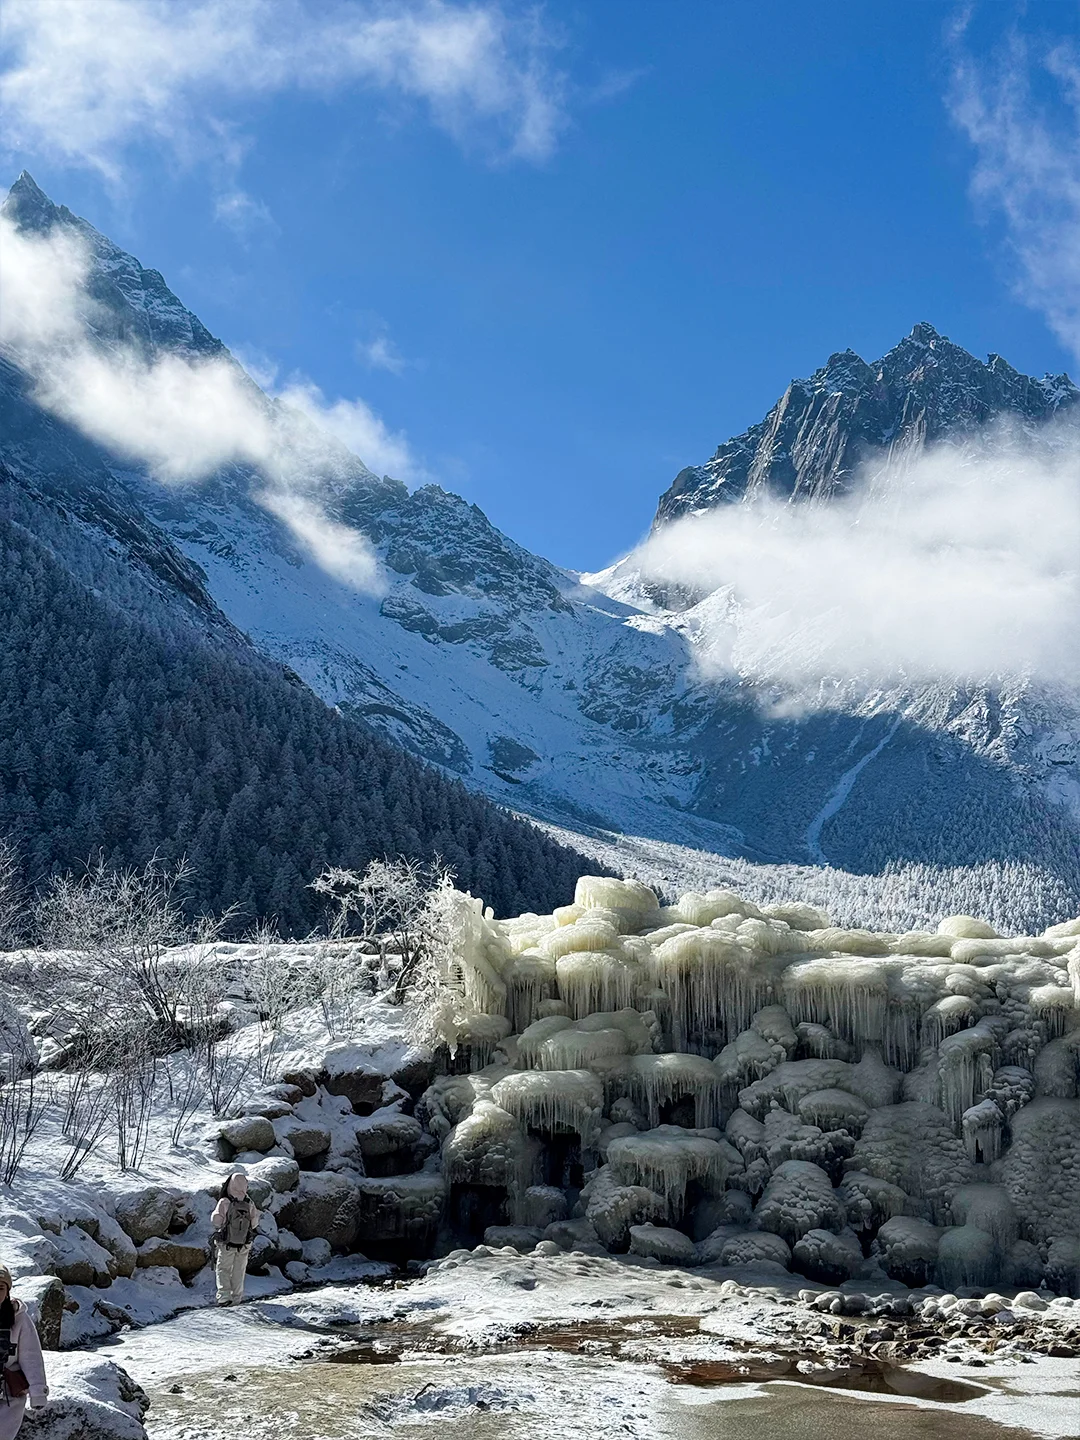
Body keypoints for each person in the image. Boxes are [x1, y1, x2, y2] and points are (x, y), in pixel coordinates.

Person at [0, 1264, 48, 1440]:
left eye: (0, 1288)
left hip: (8, 1395)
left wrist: (37, 1391)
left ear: (8, 1290)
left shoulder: (18, 1318)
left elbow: (31, 1356)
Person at [210, 1172, 261, 1306]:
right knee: (239, 1270)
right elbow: (255, 1223)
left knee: (223, 1268)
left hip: (226, 1242)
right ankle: (237, 1298)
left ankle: (224, 1297)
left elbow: (216, 1221)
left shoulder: (225, 1201)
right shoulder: (249, 1203)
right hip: (244, 1243)